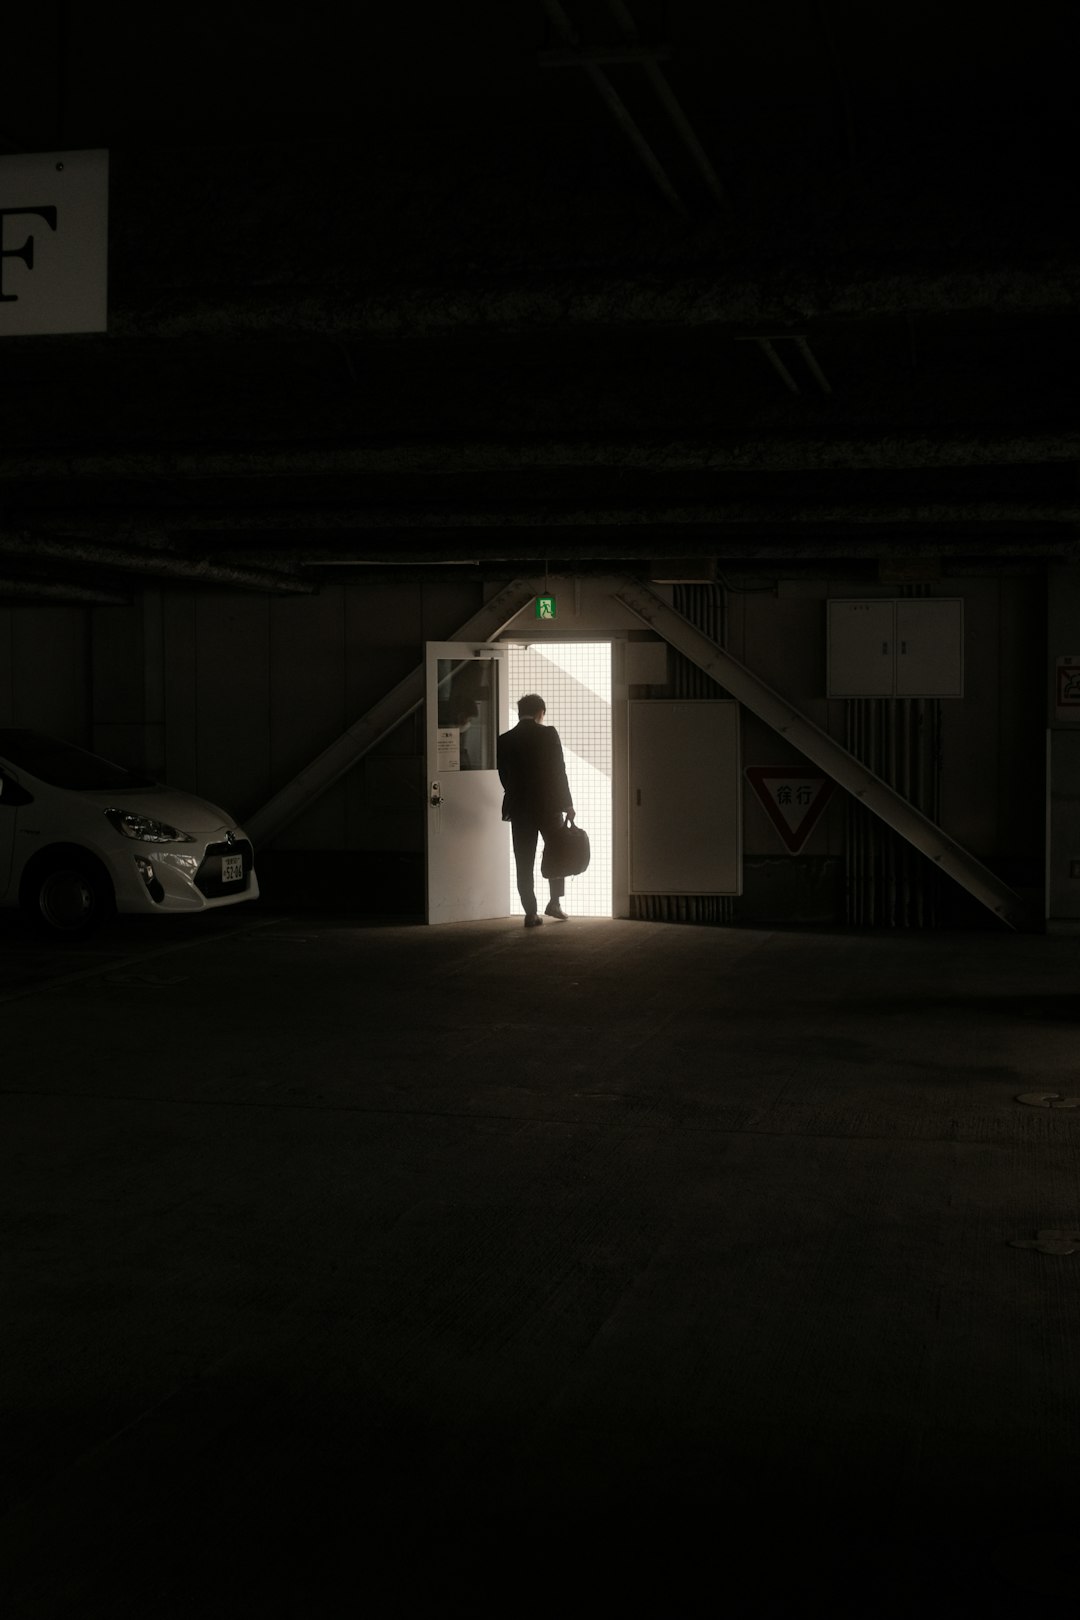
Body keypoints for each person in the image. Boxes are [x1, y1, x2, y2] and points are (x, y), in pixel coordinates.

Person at [497, 693, 575, 927]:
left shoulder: (505, 739)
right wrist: (568, 804)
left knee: (524, 859)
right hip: (549, 806)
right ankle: (554, 903)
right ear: (541, 712)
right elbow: (558, 770)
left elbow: (504, 776)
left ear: (520, 712)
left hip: (520, 808)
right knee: (557, 851)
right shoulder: (548, 733)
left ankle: (530, 912)